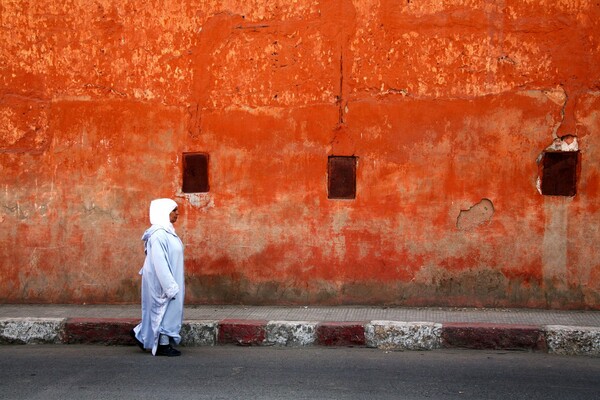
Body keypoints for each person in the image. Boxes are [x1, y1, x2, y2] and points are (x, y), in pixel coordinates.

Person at [130, 198, 185, 356]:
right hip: (162, 281)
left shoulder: (168, 232)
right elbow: (160, 262)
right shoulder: (158, 235)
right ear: (164, 212)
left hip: (171, 278)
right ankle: (162, 344)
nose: (177, 213)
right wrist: (170, 286)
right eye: (173, 210)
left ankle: (141, 334)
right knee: (163, 310)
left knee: (167, 310)